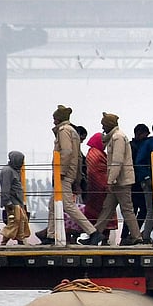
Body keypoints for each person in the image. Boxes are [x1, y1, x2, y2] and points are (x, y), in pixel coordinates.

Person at [41, 105, 97, 246]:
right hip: (70, 173)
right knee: (53, 204)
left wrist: (60, 172)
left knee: (68, 205)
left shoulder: (64, 131)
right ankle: (51, 235)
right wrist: (77, 179)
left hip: (63, 175)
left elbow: (66, 152)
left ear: (59, 118)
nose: (53, 121)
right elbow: (78, 157)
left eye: (54, 118)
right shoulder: (73, 131)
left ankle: (93, 232)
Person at [91, 112, 144, 245]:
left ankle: (137, 237)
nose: (102, 128)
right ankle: (96, 234)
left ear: (109, 125)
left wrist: (111, 180)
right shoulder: (115, 137)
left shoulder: (117, 138)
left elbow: (117, 161)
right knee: (107, 208)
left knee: (126, 210)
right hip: (117, 181)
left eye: (104, 125)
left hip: (121, 182)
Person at [0, 151, 30, 245]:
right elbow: (5, 188)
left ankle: (20, 239)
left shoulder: (15, 170)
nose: (21, 164)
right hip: (12, 202)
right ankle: (4, 241)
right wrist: (7, 202)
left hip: (18, 202)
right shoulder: (7, 171)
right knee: (14, 222)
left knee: (21, 221)